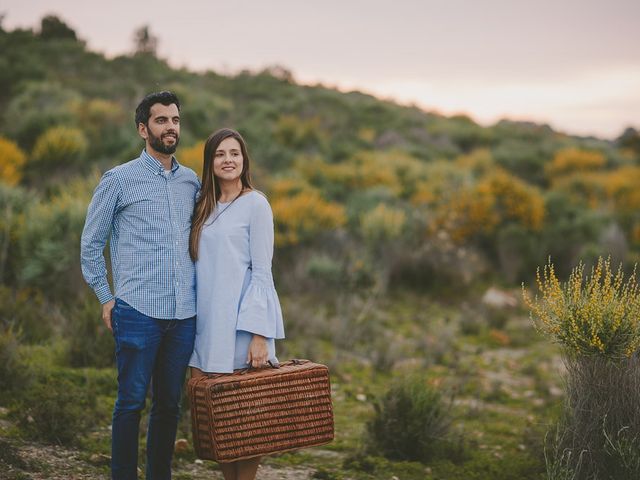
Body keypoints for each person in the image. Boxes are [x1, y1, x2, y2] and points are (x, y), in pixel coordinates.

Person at [80, 91, 199, 480]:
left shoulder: (190, 181)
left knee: (168, 406)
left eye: (175, 120)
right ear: (143, 129)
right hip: (137, 311)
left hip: (184, 314)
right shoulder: (119, 180)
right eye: (161, 120)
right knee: (130, 402)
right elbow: (91, 244)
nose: (170, 127)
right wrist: (105, 296)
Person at [189, 128, 285, 480]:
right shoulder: (204, 205)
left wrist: (260, 333)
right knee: (219, 420)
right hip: (206, 326)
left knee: (248, 419)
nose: (227, 160)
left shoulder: (256, 203)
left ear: (244, 160)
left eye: (234, 153)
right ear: (210, 162)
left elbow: (262, 272)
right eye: (219, 154)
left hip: (242, 328)